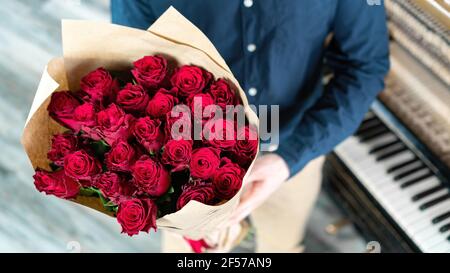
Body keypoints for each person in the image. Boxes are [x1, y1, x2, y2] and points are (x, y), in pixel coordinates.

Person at [111, 0, 390, 252]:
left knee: (281, 245)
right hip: (186, 163)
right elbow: (131, 68)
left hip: (294, 148)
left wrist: (290, 158)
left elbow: (364, 67)